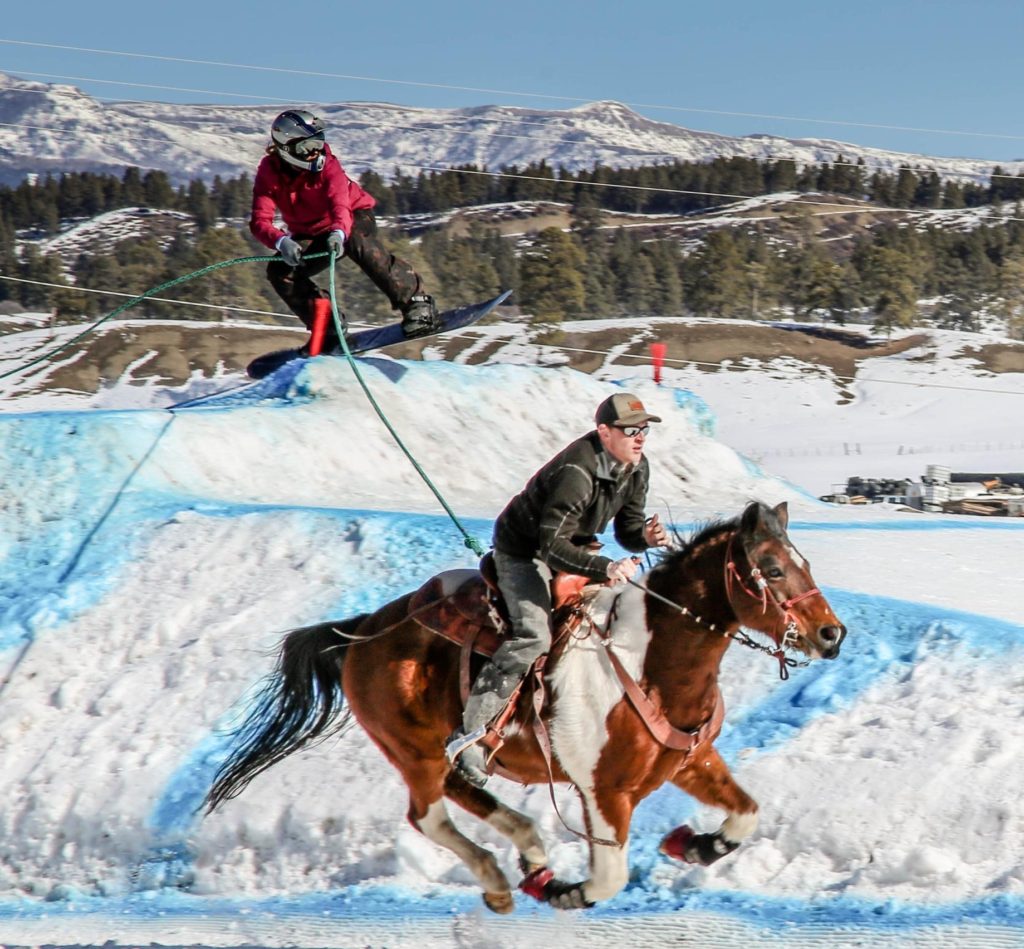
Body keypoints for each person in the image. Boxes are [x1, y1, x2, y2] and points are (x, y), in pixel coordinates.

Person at [447, 392, 671, 787]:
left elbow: (628, 529)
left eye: (645, 430)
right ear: (604, 432)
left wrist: (646, 538)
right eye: (631, 430)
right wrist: (605, 566)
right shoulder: (576, 472)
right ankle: (471, 739)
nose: (640, 438)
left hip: (574, 546)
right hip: (524, 551)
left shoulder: (637, 468)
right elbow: (551, 546)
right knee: (533, 636)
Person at [249, 109, 440, 352]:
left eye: (319, 142)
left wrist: (339, 232)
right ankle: (327, 326)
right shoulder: (269, 173)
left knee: (355, 240)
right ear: (286, 148)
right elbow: (259, 221)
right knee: (280, 271)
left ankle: (416, 303)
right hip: (310, 233)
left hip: (353, 216)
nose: (315, 151)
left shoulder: (329, 166)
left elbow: (340, 206)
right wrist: (281, 242)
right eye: (307, 147)